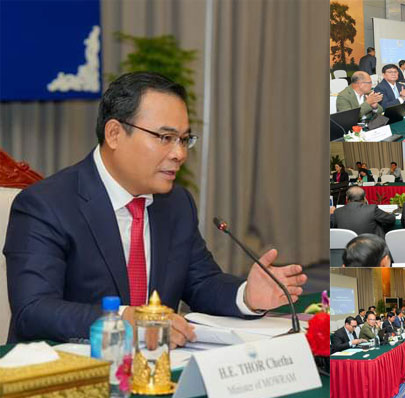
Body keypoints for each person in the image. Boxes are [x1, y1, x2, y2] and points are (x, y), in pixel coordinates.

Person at [3, 72, 306, 345]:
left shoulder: (176, 203)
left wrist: (246, 296)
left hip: (160, 368)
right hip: (72, 372)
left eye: (184, 140)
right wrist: (125, 321)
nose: (179, 154)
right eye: (165, 138)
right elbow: (34, 310)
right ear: (115, 134)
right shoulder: (46, 204)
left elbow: (201, 283)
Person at [331, 186, 395, 237]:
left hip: (347, 246)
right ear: (364, 198)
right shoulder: (372, 209)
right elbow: (391, 219)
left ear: (346, 198)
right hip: (371, 246)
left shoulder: (337, 212)